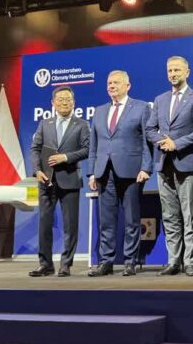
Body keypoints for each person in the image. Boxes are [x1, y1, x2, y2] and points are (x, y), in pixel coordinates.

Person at [147, 56, 193, 277]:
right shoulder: (160, 99)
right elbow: (149, 129)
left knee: (190, 215)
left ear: (187, 72)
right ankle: (173, 261)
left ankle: (190, 262)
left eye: (177, 70)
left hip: (188, 164)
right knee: (170, 217)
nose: (173, 74)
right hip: (164, 164)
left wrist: (176, 144)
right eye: (170, 71)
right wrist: (162, 142)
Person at [87, 70, 152, 277]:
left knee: (132, 220)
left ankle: (130, 261)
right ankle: (105, 262)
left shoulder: (141, 107)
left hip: (131, 171)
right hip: (104, 172)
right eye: (109, 83)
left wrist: (146, 167)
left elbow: (147, 141)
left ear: (127, 86)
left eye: (116, 82)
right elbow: (94, 145)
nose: (112, 86)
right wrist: (91, 172)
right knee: (106, 221)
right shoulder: (99, 111)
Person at [28, 86, 91, 277]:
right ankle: (45, 265)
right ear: (53, 103)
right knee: (44, 223)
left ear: (74, 103)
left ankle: (66, 264)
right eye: (60, 99)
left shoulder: (82, 124)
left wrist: (66, 157)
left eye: (68, 99)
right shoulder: (44, 124)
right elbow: (35, 149)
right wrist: (37, 171)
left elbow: (88, 149)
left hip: (70, 179)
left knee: (70, 225)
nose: (64, 102)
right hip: (46, 180)